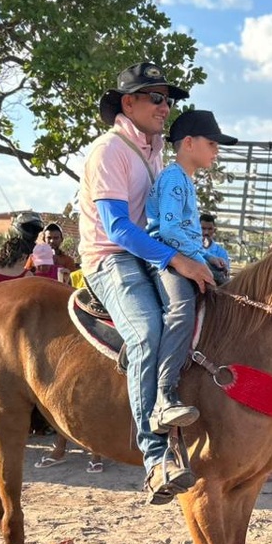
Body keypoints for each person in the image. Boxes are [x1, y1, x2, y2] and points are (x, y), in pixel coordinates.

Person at [78, 60, 213, 505]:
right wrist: (179, 259)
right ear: (128, 102)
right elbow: (117, 228)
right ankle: (156, 458)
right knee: (147, 331)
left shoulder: (156, 152)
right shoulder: (109, 151)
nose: (165, 106)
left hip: (146, 255)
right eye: (156, 97)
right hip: (112, 258)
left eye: (167, 98)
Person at [146, 110, 238, 431]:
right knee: (182, 311)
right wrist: (197, 259)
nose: (216, 151)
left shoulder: (184, 180)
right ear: (188, 143)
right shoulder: (173, 178)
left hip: (186, 254)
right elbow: (170, 231)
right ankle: (164, 395)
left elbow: (184, 232)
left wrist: (207, 257)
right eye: (212, 143)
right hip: (168, 260)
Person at [0, 213, 44, 288]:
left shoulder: (38, 251)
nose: (32, 232)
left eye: (34, 229)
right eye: (28, 228)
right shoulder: (5, 246)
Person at [200, 214, 231, 285]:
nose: (206, 232)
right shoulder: (191, 248)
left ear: (214, 230)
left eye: (210, 229)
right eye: (203, 228)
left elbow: (225, 276)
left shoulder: (222, 252)